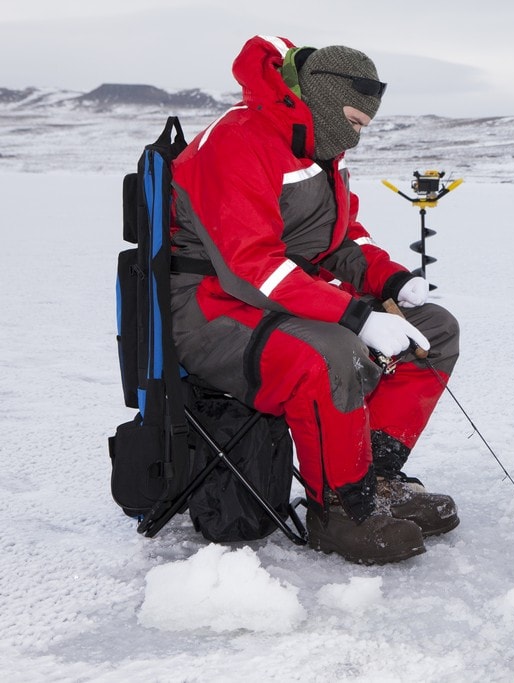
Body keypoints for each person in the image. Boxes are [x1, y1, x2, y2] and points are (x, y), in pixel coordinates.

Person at [168, 35, 460, 564]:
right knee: (331, 352)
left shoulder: (319, 150)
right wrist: (355, 315)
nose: (356, 134)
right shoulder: (236, 142)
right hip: (215, 313)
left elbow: (341, 240)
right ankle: (341, 511)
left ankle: (376, 479)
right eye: (353, 119)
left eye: (364, 126)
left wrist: (390, 282)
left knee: (434, 329)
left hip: (281, 302)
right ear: (322, 100)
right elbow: (248, 267)